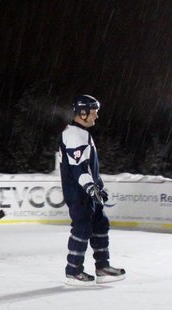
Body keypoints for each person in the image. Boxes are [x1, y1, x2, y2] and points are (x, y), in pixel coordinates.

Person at [59, 94, 126, 285]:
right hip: (79, 193)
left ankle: (102, 267)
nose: (96, 116)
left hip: (88, 192)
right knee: (82, 227)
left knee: (100, 223)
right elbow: (77, 167)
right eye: (94, 112)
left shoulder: (81, 133)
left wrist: (99, 186)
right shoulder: (72, 134)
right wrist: (90, 187)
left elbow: (89, 167)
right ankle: (73, 271)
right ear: (83, 112)